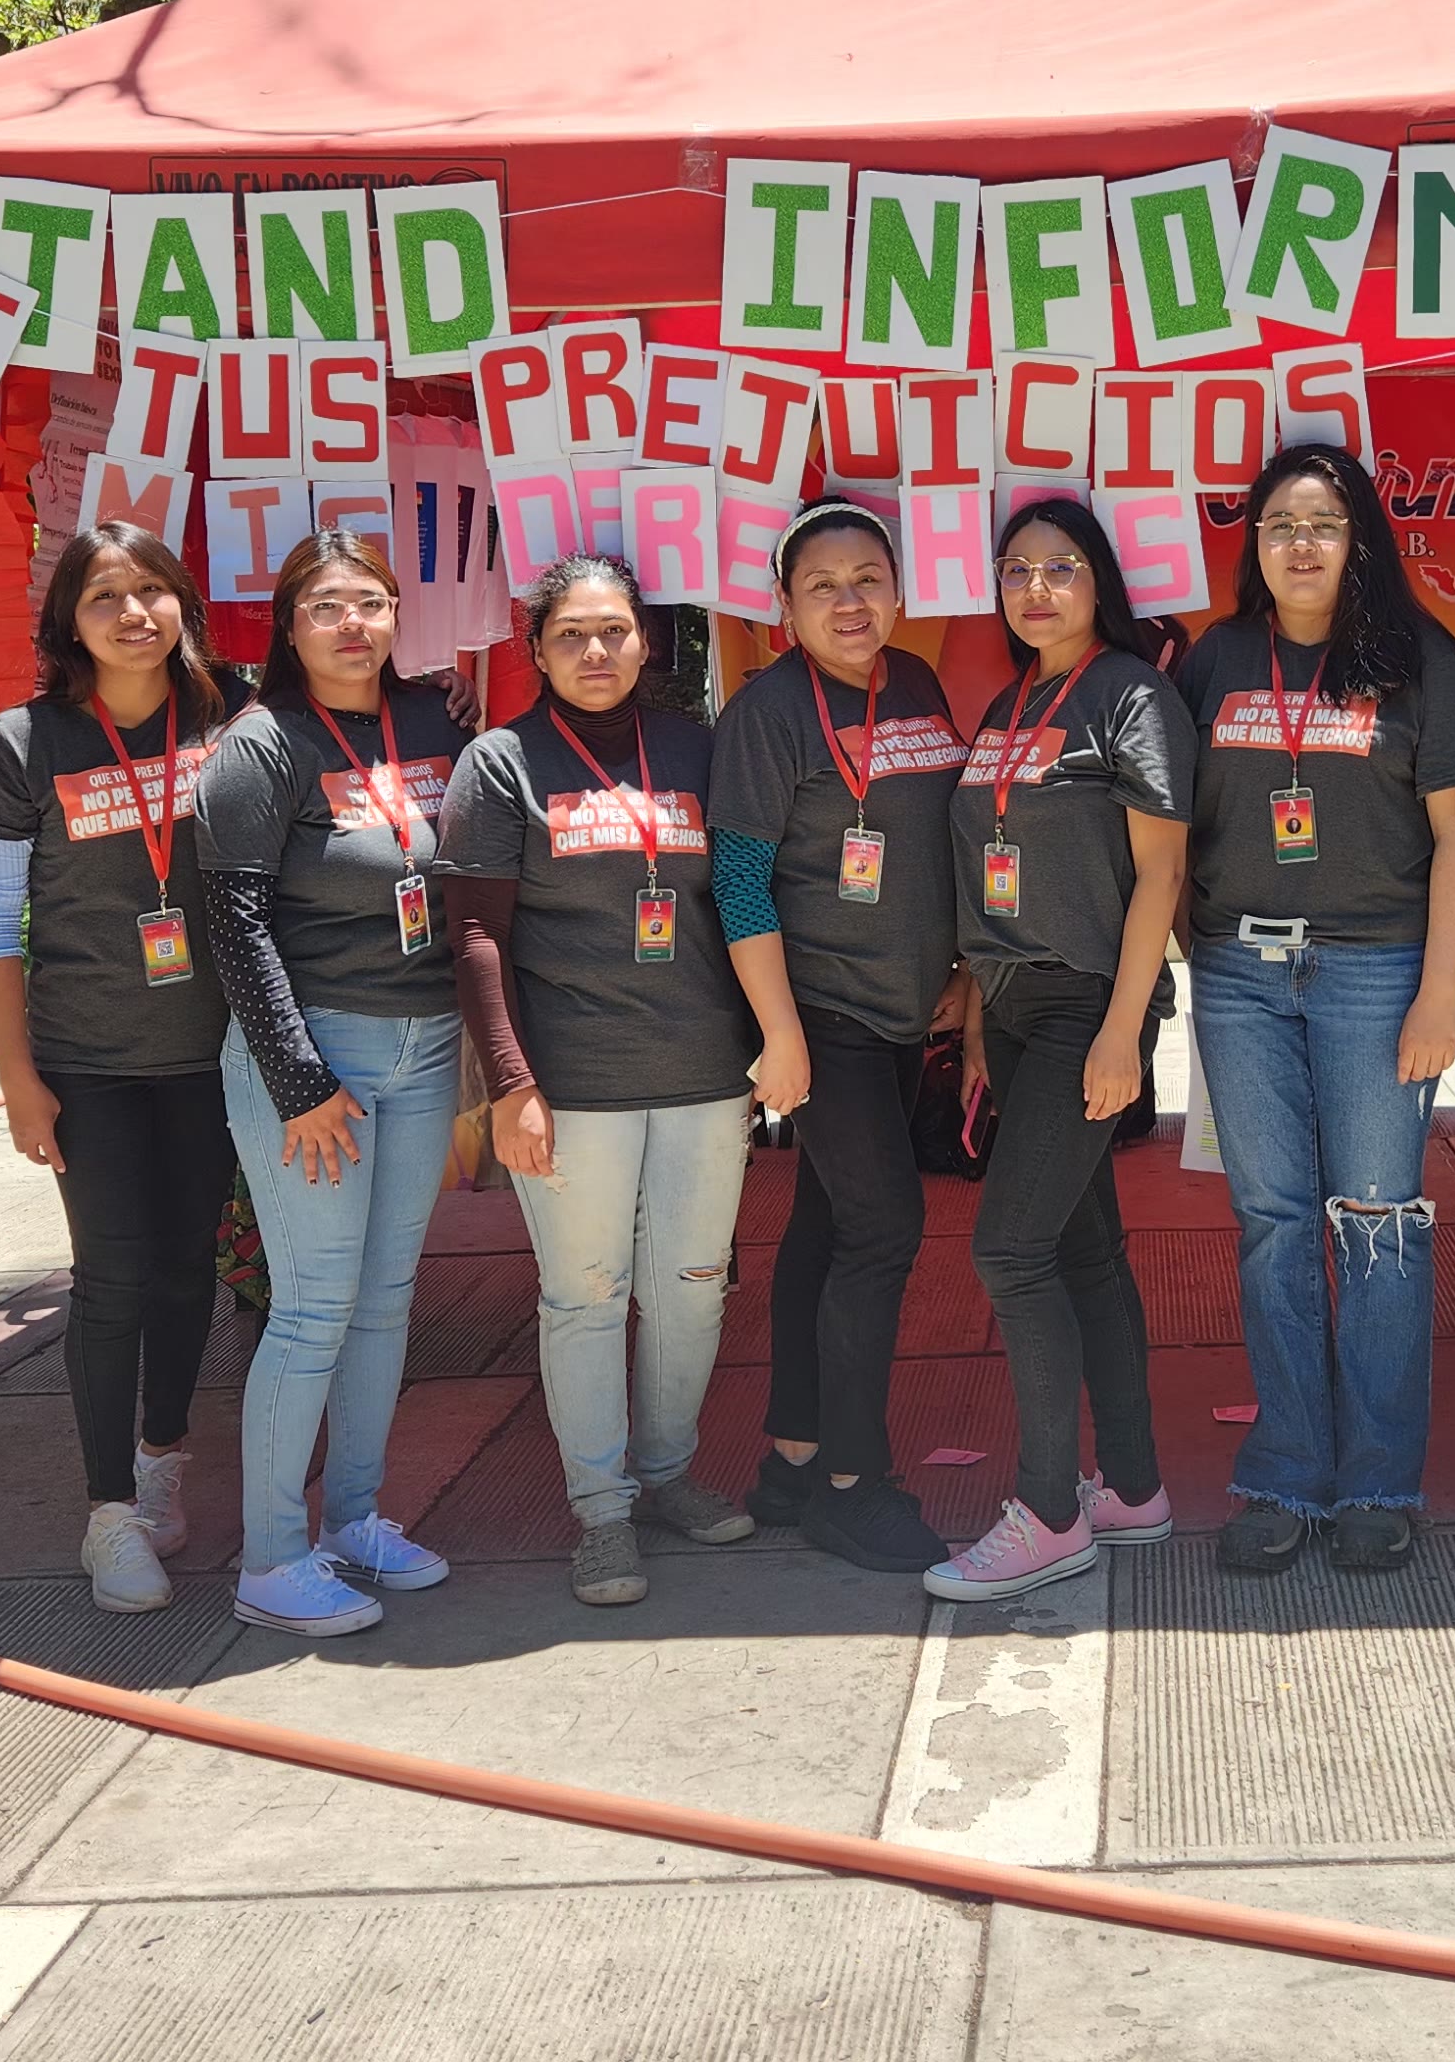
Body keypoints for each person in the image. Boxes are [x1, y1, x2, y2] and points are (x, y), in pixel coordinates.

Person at [1177, 444, 1455, 1575]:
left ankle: (1376, 1481)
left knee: (1378, 1225)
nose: (1299, 544)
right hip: (1241, 976)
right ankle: (1285, 1473)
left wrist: (1438, 994)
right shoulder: (1213, 661)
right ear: (1252, 546)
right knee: (1270, 1227)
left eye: (1321, 522)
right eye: (1276, 526)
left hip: (1374, 973)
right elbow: (1173, 836)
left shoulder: (1416, 662)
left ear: (1359, 537)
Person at [440, 555, 762, 1607]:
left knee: (691, 1290)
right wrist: (509, 1084)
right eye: (571, 634)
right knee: (584, 1296)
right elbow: (479, 933)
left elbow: (745, 900)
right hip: (570, 1083)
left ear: (647, 640)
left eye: (614, 630)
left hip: (705, 1069)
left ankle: (667, 1474)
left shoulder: (699, 749)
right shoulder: (500, 763)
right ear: (535, 649)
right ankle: (602, 1511)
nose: (595, 651)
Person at [195, 527, 480, 1638]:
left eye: (370, 602)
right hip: (317, 1059)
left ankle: (354, 1518)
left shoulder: (427, 721)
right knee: (313, 1308)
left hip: (420, 1047)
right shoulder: (259, 746)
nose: (352, 624)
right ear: (289, 626)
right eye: (326, 607)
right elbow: (236, 921)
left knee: (385, 1300)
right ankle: (271, 1557)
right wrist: (299, 1078)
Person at [0, 522, 247, 1613]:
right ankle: (108, 1512)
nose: (134, 614)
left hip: (215, 1059)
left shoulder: (231, 720)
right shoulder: (27, 742)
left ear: (182, 604)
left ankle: (164, 1456)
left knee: (187, 1272)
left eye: (152, 592)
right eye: (104, 598)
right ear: (67, 624)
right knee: (112, 1279)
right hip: (89, 1063)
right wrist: (17, 1078)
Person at [929, 496, 1196, 1601]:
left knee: (1009, 1249)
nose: (1035, 588)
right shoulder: (1010, 700)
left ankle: (1047, 1513)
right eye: (1016, 569)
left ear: (1101, 584)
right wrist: (985, 1018)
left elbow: (1160, 876)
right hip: (1019, 1004)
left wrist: (1124, 1033)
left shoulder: (1131, 695)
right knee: (1082, 1253)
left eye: (1061, 567)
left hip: (1089, 1003)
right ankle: (1128, 1489)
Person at [711, 500, 969, 1574]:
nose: (849, 601)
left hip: (904, 1007)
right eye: (823, 585)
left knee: (826, 1230)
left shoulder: (912, 680)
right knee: (882, 1229)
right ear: (782, 610)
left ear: (900, 591)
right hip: (822, 1015)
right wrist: (778, 1034)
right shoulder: (769, 713)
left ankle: (791, 1455)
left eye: (868, 577)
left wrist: (954, 970)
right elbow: (737, 880)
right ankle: (853, 1485)